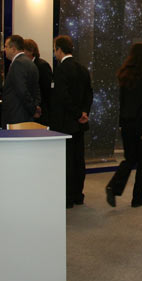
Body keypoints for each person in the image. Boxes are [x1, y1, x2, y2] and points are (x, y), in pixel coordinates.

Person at [106, 43, 142, 208]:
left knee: (129, 159)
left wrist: (121, 124)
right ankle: (137, 198)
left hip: (127, 123)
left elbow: (122, 102)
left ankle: (113, 186)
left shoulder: (124, 74)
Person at [50, 35, 93, 208]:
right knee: (78, 160)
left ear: (59, 50)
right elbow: (89, 94)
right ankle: (78, 194)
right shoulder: (82, 69)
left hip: (65, 124)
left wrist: (76, 114)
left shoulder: (61, 70)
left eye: (55, 50)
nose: (54, 53)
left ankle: (67, 198)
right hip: (79, 124)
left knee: (67, 161)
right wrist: (84, 113)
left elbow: (63, 97)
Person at [1, 34, 41, 126]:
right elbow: (36, 90)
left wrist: (33, 109)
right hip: (25, 115)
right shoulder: (30, 63)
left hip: (16, 117)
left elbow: (22, 91)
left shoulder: (18, 64)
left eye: (6, 47)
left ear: (13, 49)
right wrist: (35, 107)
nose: (4, 49)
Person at [24, 38, 53, 127]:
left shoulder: (42, 65)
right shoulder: (25, 66)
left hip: (41, 110)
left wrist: (37, 105)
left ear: (30, 51)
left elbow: (46, 89)